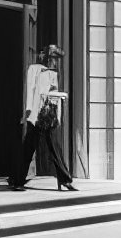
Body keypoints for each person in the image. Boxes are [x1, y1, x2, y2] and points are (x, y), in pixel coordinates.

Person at [9, 44, 76, 192]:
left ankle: (65, 179)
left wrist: (57, 109)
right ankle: (17, 180)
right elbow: (30, 91)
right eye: (53, 57)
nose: (55, 61)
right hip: (35, 115)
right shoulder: (34, 69)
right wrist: (27, 113)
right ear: (45, 56)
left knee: (54, 147)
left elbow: (53, 93)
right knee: (28, 149)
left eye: (56, 58)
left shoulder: (53, 73)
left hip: (47, 115)